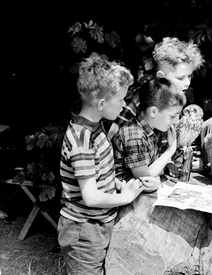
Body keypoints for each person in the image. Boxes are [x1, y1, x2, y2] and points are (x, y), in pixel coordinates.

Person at [58, 53, 160, 274]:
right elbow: (91, 197)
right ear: (102, 103)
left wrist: (118, 183)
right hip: (84, 230)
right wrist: (126, 197)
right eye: (122, 99)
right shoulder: (82, 140)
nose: (125, 104)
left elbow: (97, 172)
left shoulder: (97, 128)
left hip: (98, 224)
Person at [107, 36, 204, 141]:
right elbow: (113, 134)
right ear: (161, 76)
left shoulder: (176, 97)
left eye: (189, 76)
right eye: (180, 78)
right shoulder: (142, 98)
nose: (187, 83)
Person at [112, 77, 187, 181]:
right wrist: (170, 150)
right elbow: (144, 177)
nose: (176, 121)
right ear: (153, 112)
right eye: (172, 116)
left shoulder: (154, 128)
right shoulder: (134, 134)